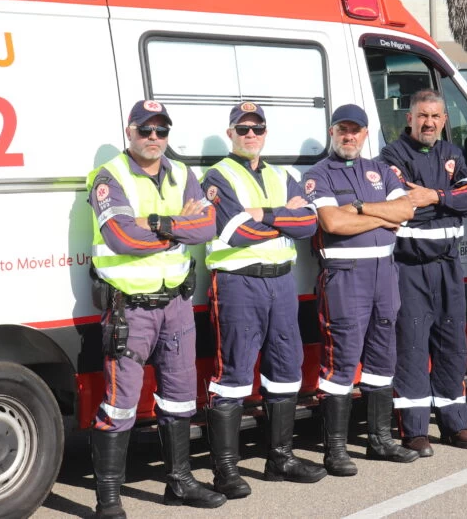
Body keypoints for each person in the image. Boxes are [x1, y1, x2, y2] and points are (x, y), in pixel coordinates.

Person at [87, 100, 224, 518]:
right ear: (129, 131)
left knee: (180, 399)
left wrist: (156, 223)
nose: (153, 137)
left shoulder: (182, 173)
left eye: (161, 130)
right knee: (120, 405)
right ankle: (108, 500)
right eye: (145, 129)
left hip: (177, 305)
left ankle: (179, 482)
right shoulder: (109, 175)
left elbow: (208, 226)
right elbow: (121, 238)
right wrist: (177, 224)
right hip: (131, 310)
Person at [201, 102, 327, 498]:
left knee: (286, 370)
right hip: (239, 284)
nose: (250, 134)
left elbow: (308, 223)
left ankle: (280, 459)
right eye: (243, 129)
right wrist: (282, 217)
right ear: (231, 134)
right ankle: (225, 471)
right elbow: (236, 233)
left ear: (266, 132)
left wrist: (262, 214)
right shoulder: (217, 176)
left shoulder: (281, 175)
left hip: (281, 284)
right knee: (233, 375)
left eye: (257, 128)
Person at [303, 103, 419, 477]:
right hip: (344, 275)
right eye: (342, 129)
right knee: (341, 360)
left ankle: (379, 440)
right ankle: (335, 450)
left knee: (383, 358)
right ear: (332, 132)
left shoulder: (380, 170)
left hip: (384, 275)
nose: (349, 136)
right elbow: (333, 223)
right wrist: (381, 216)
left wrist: (359, 208)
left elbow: (406, 211)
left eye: (355, 130)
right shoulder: (318, 175)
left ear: (366, 134)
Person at [379, 89, 467, 456]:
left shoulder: (452, 153)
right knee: (412, 346)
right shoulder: (392, 156)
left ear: (444, 120)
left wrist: (436, 197)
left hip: (448, 265)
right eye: (422, 115)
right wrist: (445, 200)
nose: (429, 123)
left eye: (436, 116)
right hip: (410, 267)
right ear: (410, 118)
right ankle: (415, 430)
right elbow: (403, 206)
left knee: (452, 344)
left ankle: (456, 423)